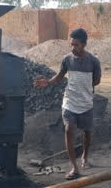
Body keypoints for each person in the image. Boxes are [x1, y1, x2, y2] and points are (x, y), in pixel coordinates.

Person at [34, 28, 101, 180]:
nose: (73, 48)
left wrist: (83, 86)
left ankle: (84, 156)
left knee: (87, 132)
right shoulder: (67, 59)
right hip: (69, 102)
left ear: (84, 44)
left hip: (86, 103)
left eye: (76, 45)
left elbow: (96, 81)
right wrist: (48, 82)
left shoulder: (93, 61)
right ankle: (74, 167)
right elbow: (59, 76)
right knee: (69, 129)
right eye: (71, 45)